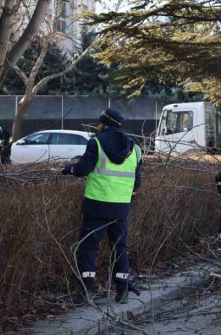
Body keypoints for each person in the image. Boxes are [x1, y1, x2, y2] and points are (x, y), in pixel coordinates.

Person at [62, 109, 142, 304]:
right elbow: (136, 183)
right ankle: (122, 290)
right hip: (121, 207)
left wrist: (69, 168)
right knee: (119, 248)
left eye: (99, 122)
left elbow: (82, 169)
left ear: (105, 124)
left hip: (97, 205)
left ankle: (87, 290)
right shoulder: (135, 148)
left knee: (88, 248)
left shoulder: (96, 142)